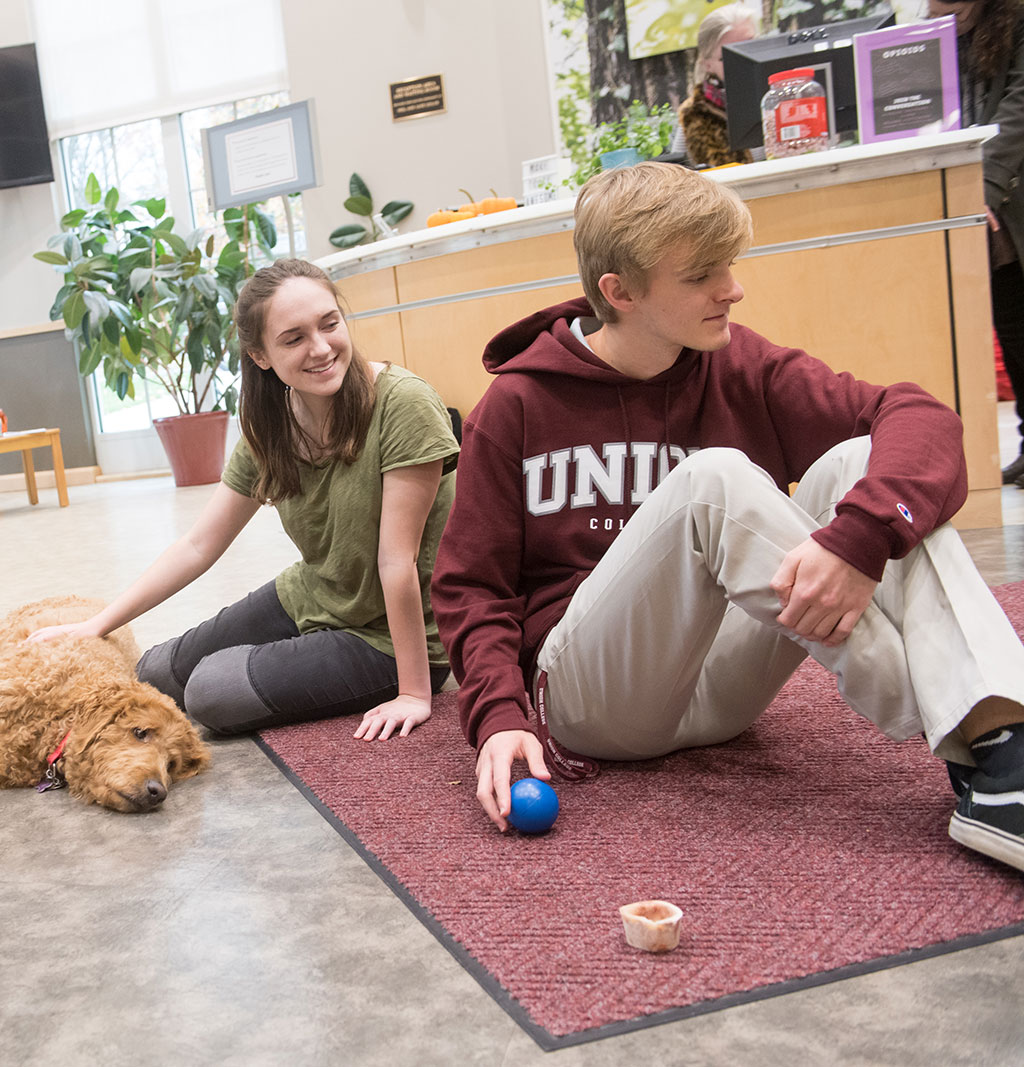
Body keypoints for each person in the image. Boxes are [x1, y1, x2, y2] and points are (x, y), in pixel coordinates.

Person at [432, 162, 1024, 873]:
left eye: (730, 265)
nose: (733, 288)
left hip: (722, 687)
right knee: (713, 479)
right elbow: (471, 588)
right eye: (703, 274)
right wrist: (496, 715)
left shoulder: (739, 364)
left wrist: (860, 537)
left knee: (864, 460)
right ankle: (945, 704)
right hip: (592, 699)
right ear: (620, 292)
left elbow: (919, 417)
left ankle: (1000, 749)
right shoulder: (517, 405)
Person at [28, 259, 459, 741]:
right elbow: (198, 544)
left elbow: (397, 561)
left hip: (395, 636)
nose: (321, 348)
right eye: (293, 339)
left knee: (212, 692)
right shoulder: (273, 424)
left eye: (329, 324)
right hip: (315, 595)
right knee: (156, 672)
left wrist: (414, 693)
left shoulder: (404, 403)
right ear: (260, 356)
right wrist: (97, 624)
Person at [931, 0, 1024, 483]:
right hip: (978, 213)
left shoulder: (1018, 23)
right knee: (1011, 329)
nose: (945, 10)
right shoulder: (932, 35)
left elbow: (1018, 108)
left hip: (1006, 198)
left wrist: (983, 187)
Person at [677, 3, 760, 167]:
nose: (745, 60)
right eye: (730, 55)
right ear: (707, 64)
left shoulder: (787, 95)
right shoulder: (695, 115)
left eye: (751, 46)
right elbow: (678, 176)